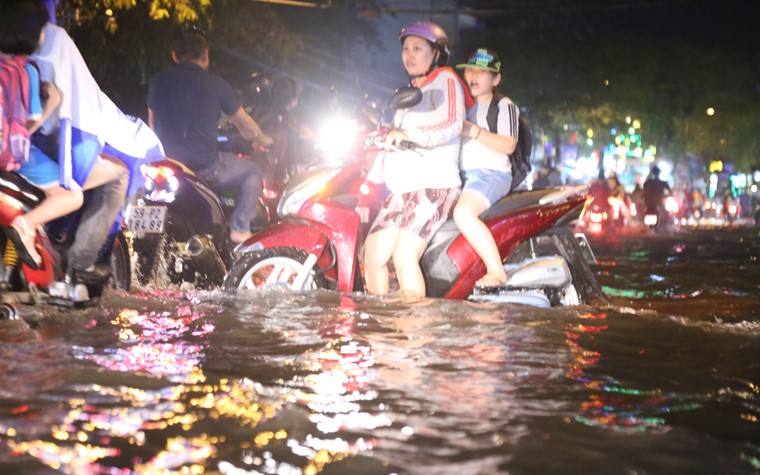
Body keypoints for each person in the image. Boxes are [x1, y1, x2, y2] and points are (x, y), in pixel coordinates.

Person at [31, 10, 164, 285]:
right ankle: (79, 264)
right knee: (117, 175)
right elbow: (56, 98)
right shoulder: (47, 37)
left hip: (37, 143)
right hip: (48, 141)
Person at [363, 21, 473, 299]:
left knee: (403, 258)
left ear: (436, 53)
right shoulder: (409, 91)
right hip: (402, 190)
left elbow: (451, 123)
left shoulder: (446, 80)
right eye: (405, 49)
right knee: (372, 254)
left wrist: (408, 133)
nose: (409, 55)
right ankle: (385, 323)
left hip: (433, 186)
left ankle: (416, 334)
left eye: (417, 49)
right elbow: (393, 139)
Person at [147, 28, 273, 244]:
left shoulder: (157, 81)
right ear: (205, 56)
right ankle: (240, 229)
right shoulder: (217, 84)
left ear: (175, 55)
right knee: (253, 170)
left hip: (164, 164)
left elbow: (152, 124)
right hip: (204, 166)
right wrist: (263, 140)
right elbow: (248, 128)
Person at [0, 0, 82, 269]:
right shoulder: (27, 70)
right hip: (14, 157)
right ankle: (26, 223)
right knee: (72, 194)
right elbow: (25, 127)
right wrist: (53, 103)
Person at [452, 48, 518, 288]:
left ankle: (496, 271)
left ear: (496, 79)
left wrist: (475, 131)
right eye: (471, 70)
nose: (474, 76)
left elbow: (509, 144)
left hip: (492, 175)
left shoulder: (504, 105)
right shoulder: (463, 107)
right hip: (463, 178)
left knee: (463, 214)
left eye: (482, 71)